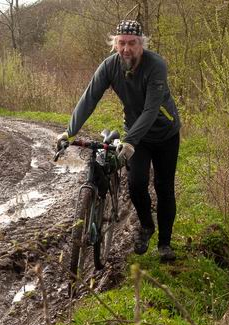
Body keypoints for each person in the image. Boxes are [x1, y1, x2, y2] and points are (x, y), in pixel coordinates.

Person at [57, 19, 181, 262]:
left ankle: (165, 243)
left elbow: (151, 109)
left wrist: (130, 141)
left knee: (164, 188)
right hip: (137, 135)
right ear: (115, 43)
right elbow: (89, 98)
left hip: (165, 133)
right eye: (121, 43)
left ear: (141, 44)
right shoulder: (109, 66)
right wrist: (69, 132)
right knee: (136, 185)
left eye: (132, 43)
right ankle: (146, 226)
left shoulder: (155, 65)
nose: (126, 49)